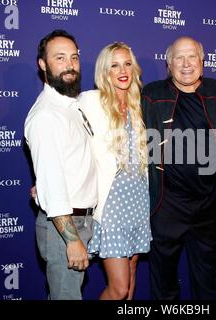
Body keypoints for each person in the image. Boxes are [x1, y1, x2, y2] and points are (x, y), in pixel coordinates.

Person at [141, 36, 216, 300]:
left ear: (202, 61)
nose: (186, 64)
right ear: (168, 62)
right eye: (179, 57)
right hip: (165, 205)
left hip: (206, 205)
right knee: (164, 284)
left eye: (192, 57)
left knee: (207, 281)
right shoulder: (151, 95)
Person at [24, 29, 98, 300]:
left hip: (80, 219)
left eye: (74, 58)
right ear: (43, 64)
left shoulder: (71, 105)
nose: (70, 65)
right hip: (65, 226)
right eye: (60, 58)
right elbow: (54, 188)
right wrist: (71, 239)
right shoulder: (47, 117)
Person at [78, 42, 151, 300]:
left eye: (127, 64)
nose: (123, 70)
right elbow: (66, 142)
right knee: (118, 288)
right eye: (115, 65)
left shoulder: (137, 105)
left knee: (131, 273)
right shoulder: (90, 101)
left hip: (139, 199)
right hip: (111, 204)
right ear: (104, 71)